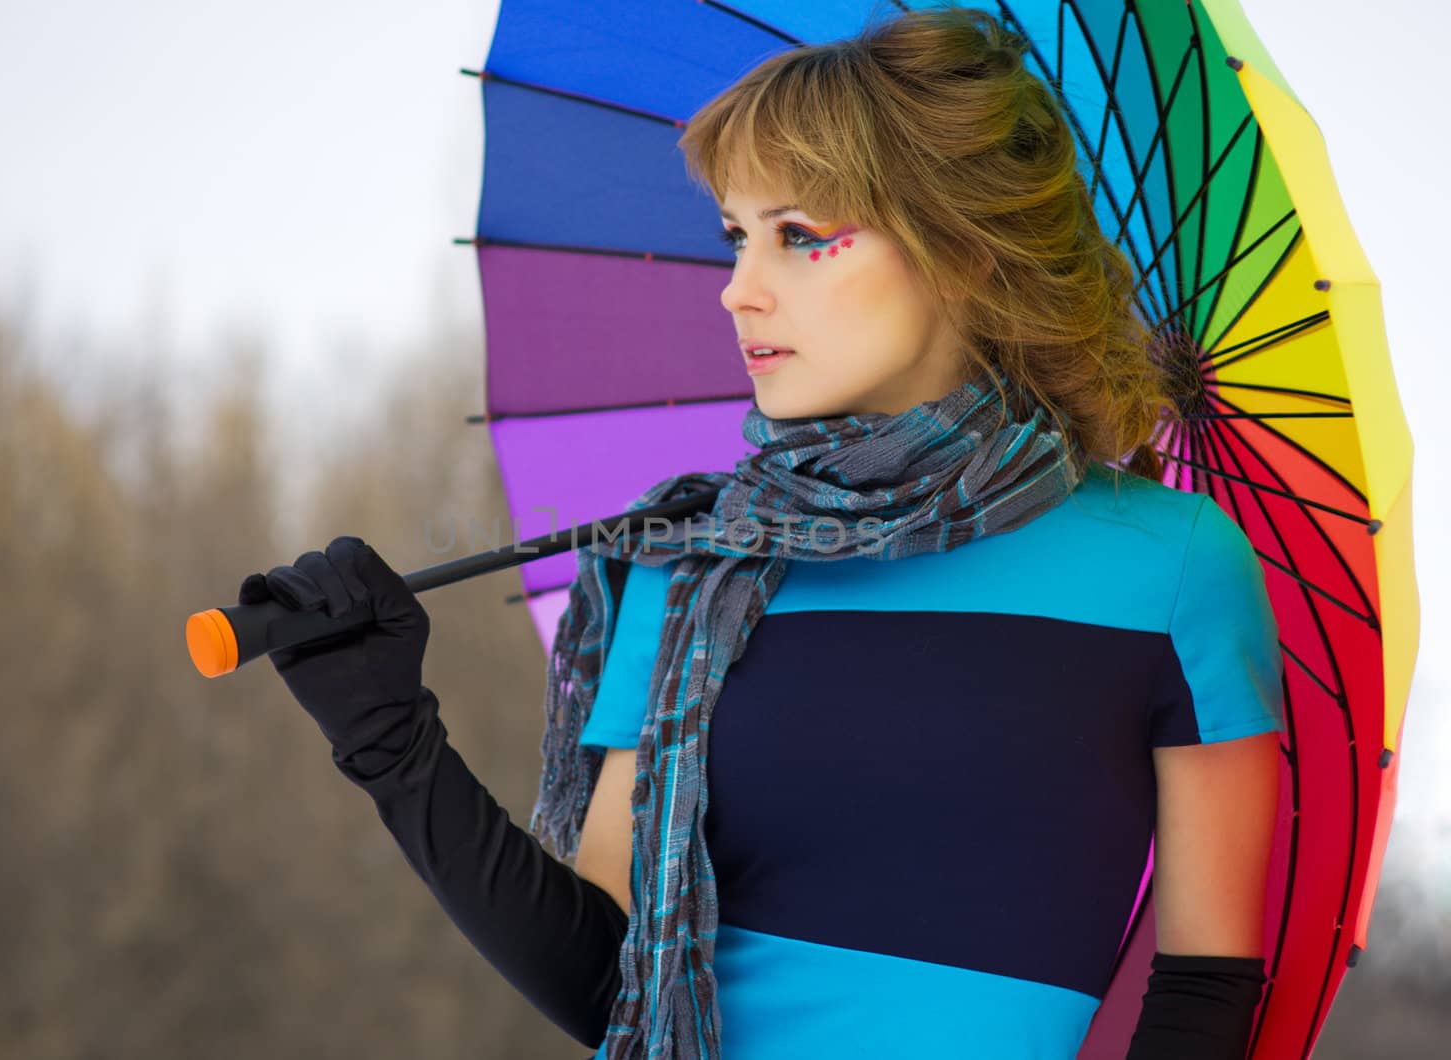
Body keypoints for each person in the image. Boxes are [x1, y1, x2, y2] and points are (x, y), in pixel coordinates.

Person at [238, 7, 1284, 1058]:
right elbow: (610, 978)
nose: (739, 289)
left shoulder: (1172, 569)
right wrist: (392, 741)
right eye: (736, 236)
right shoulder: (695, 562)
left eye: (801, 235)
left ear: (960, 250)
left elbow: (1204, 994)